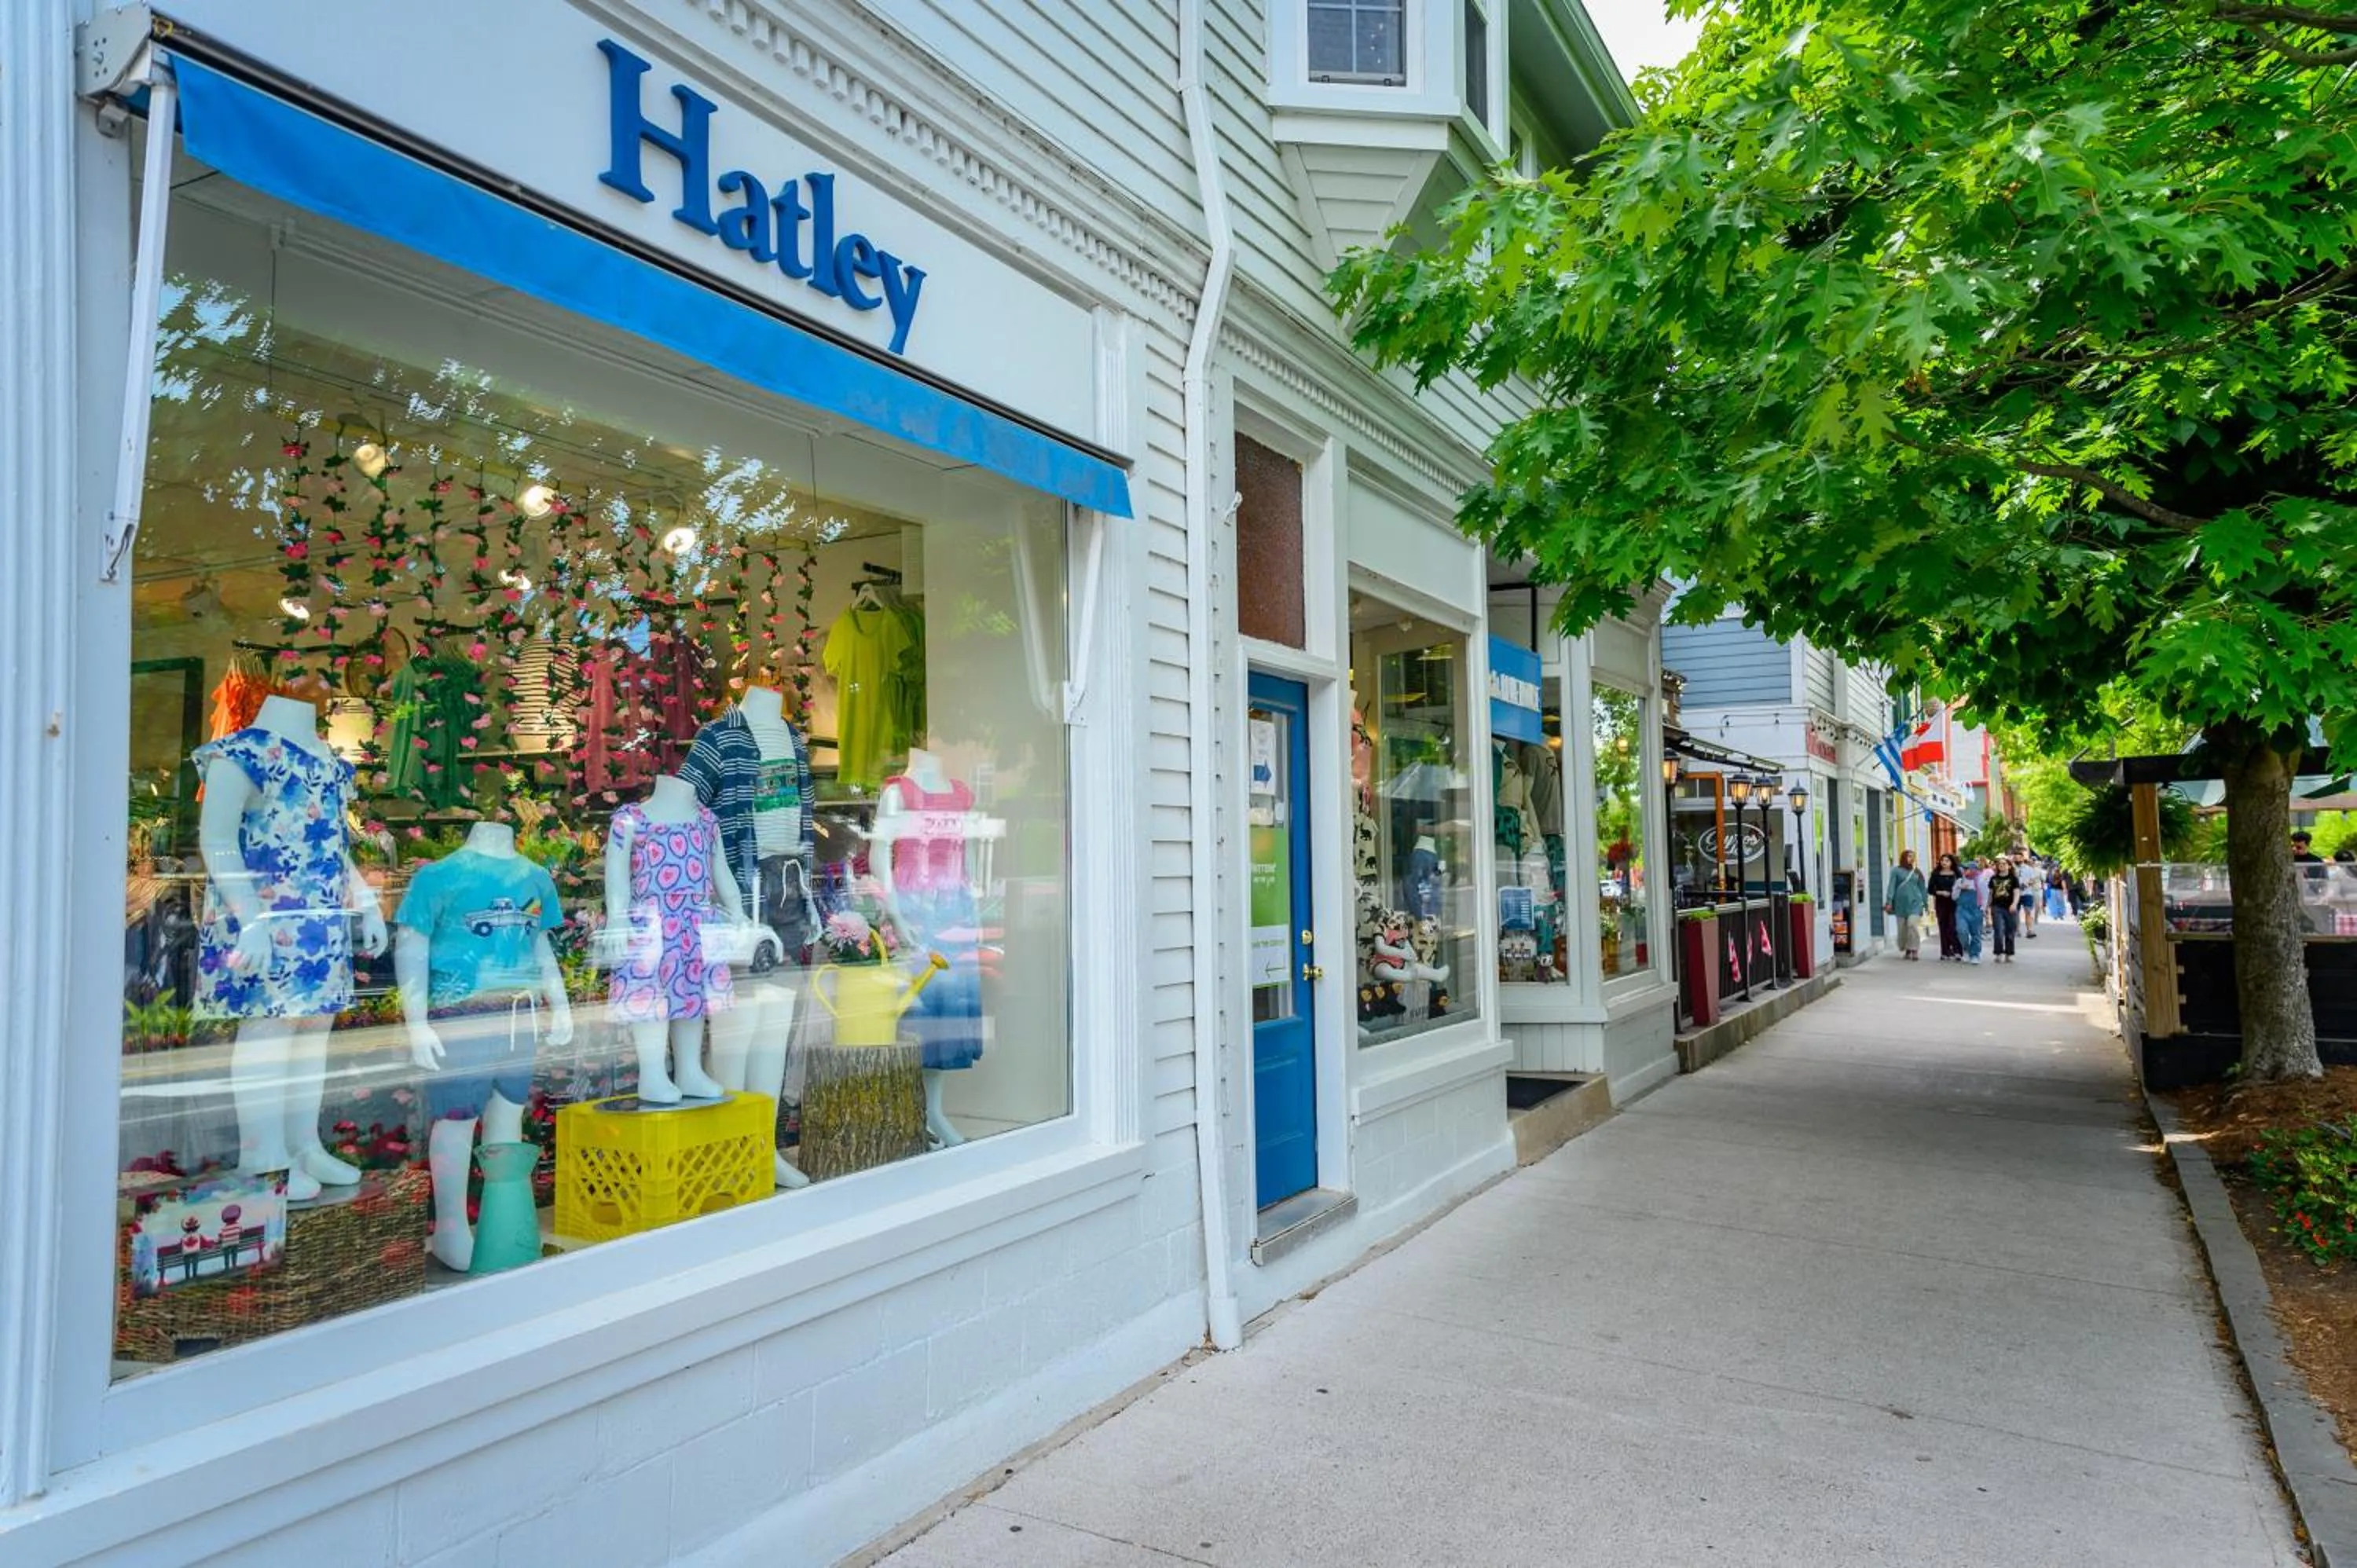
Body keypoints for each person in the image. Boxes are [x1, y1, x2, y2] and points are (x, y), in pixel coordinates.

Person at [1884, 849, 1929, 961]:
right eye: (1909, 856)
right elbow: (1891, 886)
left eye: (1913, 856)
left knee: (1912, 925)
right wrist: (1889, 901)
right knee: (1902, 929)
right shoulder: (1896, 871)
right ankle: (1907, 949)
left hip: (1915, 903)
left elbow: (1922, 888)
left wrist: (1926, 902)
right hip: (1900, 904)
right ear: (1904, 857)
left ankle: (1915, 950)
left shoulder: (1917, 872)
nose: (1911, 859)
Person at [1928, 852, 1963, 960]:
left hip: (1954, 903)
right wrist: (1940, 892)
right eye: (1943, 860)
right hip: (1941, 903)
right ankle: (1945, 952)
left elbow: (1961, 886)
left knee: (1952, 927)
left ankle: (1957, 950)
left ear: (1952, 862)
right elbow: (1930, 889)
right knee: (1943, 927)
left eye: (1947, 861)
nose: (1944, 863)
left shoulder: (1957, 874)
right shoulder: (1936, 874)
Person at [1986, 855, 2022, 962]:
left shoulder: (2013, 879)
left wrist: (2014, 904)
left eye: (2004, 864)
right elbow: (1991, 893)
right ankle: (1998, 953)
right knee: (1998, 930)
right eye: (2000, 864)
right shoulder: (1994, 878)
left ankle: (2009, 953)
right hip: (1997, 907)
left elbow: (2017, 892)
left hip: (2010, 907)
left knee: (2010, 931)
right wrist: (1988, 906)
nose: (2001, 866)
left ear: (2010, 866)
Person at [1954, 857, 1986, 965]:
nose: (1965, 870)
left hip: (1976, 909)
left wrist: (1984, 908)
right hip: (1962, 909)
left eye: (1967, 868)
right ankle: (1966, 949)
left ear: (1974, 870)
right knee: (1961, 930)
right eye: (1964, 868)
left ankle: (1975, 954)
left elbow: (1985, 895)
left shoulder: (1981, 881)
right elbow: (1954, 897)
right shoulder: (1960, 881)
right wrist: (1959, 888)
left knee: (1976, 933)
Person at [2017, 855, 2044, 938]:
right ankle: (2017, 930)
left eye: (2019, 858)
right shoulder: (2012, 868)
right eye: (2015, 858)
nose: (2017, 859)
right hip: (2016, 894)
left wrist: (2026, 884)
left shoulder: (2029, 869)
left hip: (2027, 893)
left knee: (2028, 911)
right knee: (2016, 913)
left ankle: (2029, 930)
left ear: (2022, 858)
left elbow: (2033, 880)